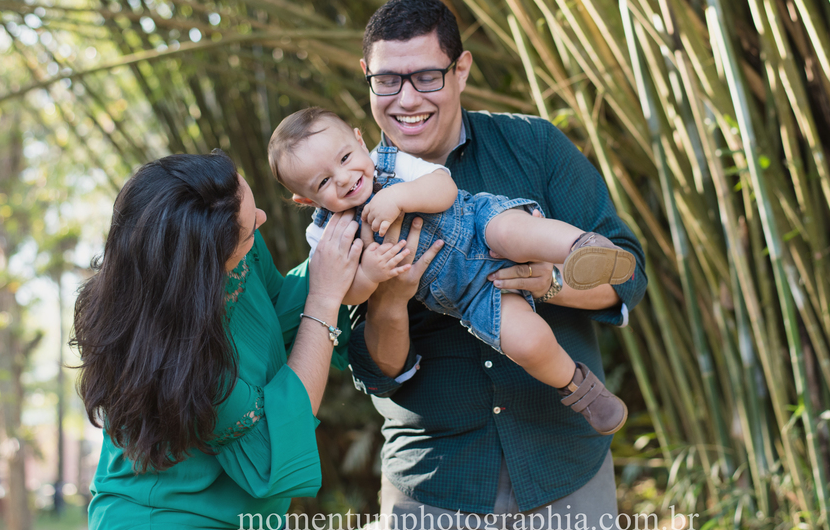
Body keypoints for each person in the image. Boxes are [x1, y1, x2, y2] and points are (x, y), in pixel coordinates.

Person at [346, 0, 647, 530]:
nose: (406, 99)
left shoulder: (533, 146)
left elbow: (628, 272)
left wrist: (553, 284)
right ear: (366, 77)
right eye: (388, 81)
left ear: (461, 70)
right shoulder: (347, 192)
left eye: (427, 77)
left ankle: (569, 261)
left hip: (564, 470)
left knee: (527, 236)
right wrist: (390, 300)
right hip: (436, 488)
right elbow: (374, 369)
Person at [267, 107, 635, 434]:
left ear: (360, 141)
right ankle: (580, 390)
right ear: (304, 199)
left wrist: (396, 197)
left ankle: (583, 247)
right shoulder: (324, 235)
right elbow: (345, 292)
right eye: (323, 182)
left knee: (518, 232)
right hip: (469, 291)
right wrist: (370, 275)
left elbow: (443, 187)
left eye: (345, 158)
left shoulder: (391, 161)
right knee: (528, 341)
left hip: (477, 225)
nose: (344, 178)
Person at [73, 151, 368, 530]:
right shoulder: (180, 352)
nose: (261, 217)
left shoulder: (234, 231)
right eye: (249, 233)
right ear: (205, 270)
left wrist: (347, 252)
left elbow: (281, 310)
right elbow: (272, 439)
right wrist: (325, 298)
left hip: (258, 523)